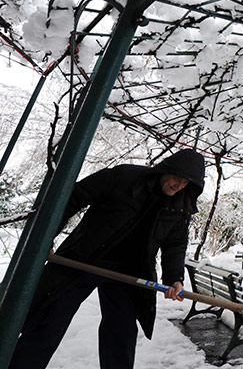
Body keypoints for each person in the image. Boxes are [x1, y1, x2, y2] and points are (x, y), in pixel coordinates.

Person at [10, 148, 205, 369]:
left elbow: (175, 245)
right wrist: (46, 238)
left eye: (186, 182)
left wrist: (174, 278)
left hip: (128, 272)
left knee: (121, 333)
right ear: (165, 169)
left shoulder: (180, 207)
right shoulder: (124, 178)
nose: (178, 185)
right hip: (84, 259)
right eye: (177, 177)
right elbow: (75, 196)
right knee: (50, 321)